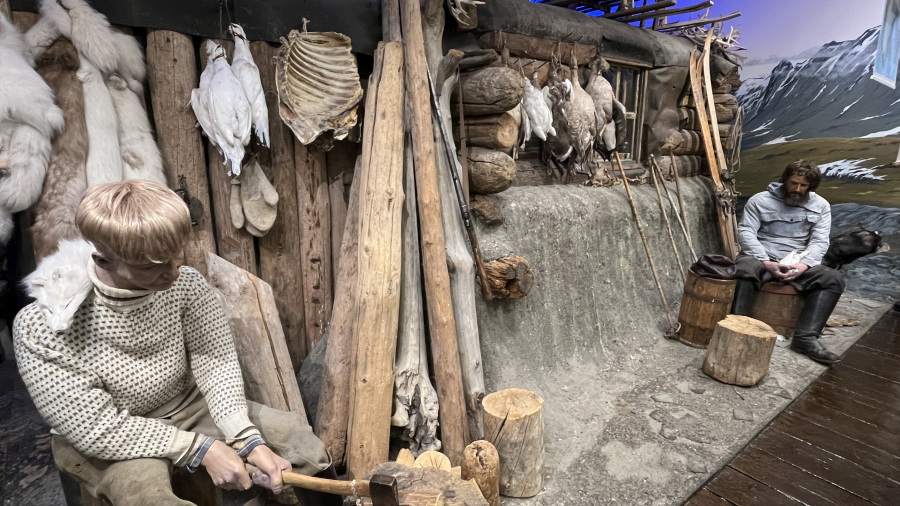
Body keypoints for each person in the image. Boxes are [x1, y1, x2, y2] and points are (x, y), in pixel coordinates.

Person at [14, 180, 339, 505]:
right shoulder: (42, 326)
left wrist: (246, 438)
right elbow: (95, 428)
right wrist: (201, 449)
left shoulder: (186, 287)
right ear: (103, 260)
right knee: (147, 497)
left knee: (300, 443)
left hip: (186, 406)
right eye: (152, 266)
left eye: (176, 255)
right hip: (113, 431)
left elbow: (217, 366)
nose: (173, 272)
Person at [733, 160, 845, 365]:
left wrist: (804, 265)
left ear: (811, 186)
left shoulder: (821, 206)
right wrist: (765, 261)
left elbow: (820, 241)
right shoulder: (760, 200)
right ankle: (736, 327)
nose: (798, 189)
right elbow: (746, 231)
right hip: (762, 256)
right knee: (744, 268)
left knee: (833, 279)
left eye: (804, 185)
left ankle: (805, 339)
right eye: (794, 183)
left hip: (798, 260)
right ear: (785, 180)